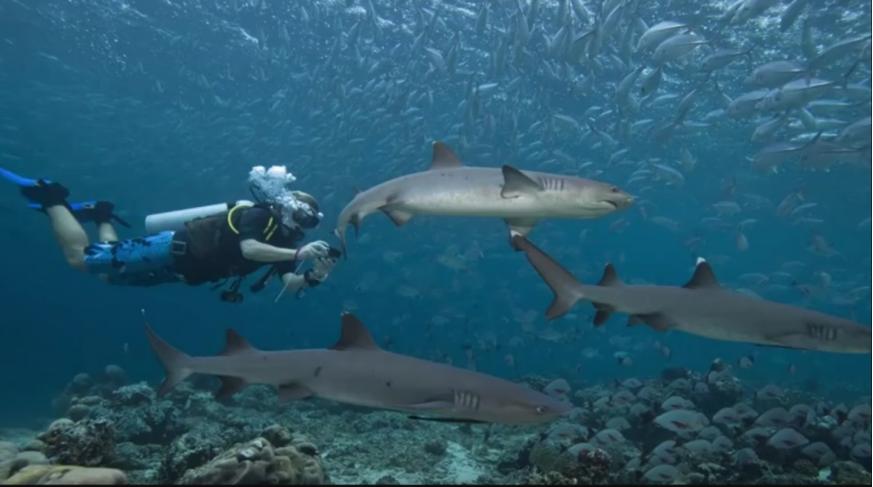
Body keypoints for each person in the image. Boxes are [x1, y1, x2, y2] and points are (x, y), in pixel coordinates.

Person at [4, 165, 338, 302]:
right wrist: (297, 255)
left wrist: (314, 277)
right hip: (171, 249)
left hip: (182, 272)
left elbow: (289, 285)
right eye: (301, 215)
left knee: (109, 277)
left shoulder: (282, 242)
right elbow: (249, 249)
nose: (302, 225)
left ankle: (98, 214)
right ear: (284, 206)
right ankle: (51, 198)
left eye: (310, 221)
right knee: (82, 260)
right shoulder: (258, 215)